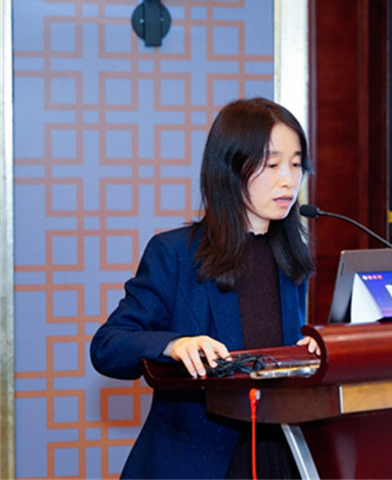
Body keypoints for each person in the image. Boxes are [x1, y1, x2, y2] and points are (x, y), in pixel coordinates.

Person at [90, 97, 318, 479]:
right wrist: (174, 344)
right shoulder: (175, 253)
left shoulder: (292, 257)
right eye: (272, 164)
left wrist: (313, 352)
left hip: (279, 455)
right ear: (230, 167)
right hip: (199, 463)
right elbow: (108, 346)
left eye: (296, 164)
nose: (289, 180)